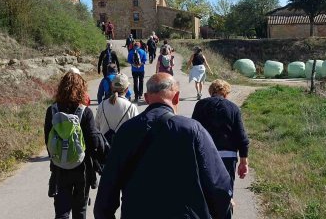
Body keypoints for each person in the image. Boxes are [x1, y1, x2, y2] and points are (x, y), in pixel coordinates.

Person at [93, 73, 232, 219]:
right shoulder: (192, 130)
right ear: (176, 97)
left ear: (146, 98)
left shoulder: (126, 131)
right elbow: (219, 185)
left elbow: (107, 189)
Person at [45, 70, 102, 219]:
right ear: (82, 89)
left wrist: (59, 156)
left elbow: (48, 140)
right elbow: (93, 142)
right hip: (82, 169)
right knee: (80, 211)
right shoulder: (85, 112)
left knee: (62, 211)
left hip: (59, 168)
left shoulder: (52, 111)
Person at [192, 79, 250, 219]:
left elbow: (193, 131)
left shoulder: (200, 105)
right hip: (227, 157)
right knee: (225, 194)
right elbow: (242, 137)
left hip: (204, 155)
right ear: (226, 93)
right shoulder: (233, 108)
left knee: (204, 193)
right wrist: (244, 161)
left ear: (211, 92)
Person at [95, 73, 138, 140]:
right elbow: (135, 130)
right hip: (123, 146)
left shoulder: (102, 105)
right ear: (127, 89)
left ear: (112, 87)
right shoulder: (131, 107)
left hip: (105, 146)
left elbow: (96, 128)